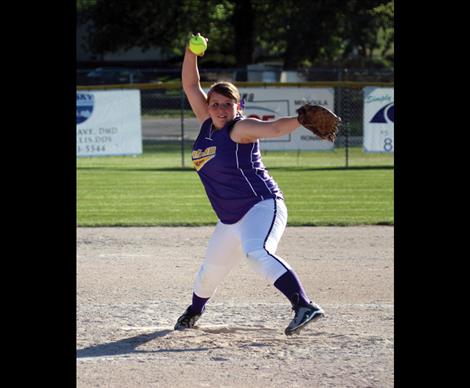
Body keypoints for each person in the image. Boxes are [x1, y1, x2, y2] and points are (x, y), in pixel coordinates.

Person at [174, 34, 325, 335]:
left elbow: (273, 128)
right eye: (214, 104)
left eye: (226, 104)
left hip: (261, 205)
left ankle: (304, 305)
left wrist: (302, 119)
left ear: (238, 105)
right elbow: (191, 85)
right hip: (230, 218)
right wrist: (191, 52)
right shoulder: (207, 123)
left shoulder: (240, 127)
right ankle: (194, 311)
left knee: (257, 251)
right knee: (209, 273)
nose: (219, 109)